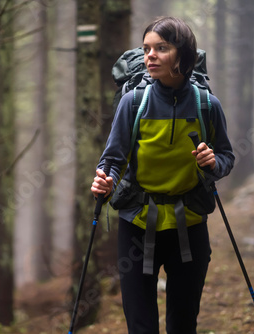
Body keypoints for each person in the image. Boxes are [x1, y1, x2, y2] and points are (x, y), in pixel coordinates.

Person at [91, 16, 234, 334]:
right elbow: (112, 159)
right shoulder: (133, 103)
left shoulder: (207, 106)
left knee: (183, 325)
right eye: (146, 49)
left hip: (190, 223)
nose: (150, 56)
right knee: (141, 327)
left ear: (183, 57)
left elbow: (226, 157)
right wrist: (105, 178)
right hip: (137, 225)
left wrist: (212, 164)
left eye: (161, 48)